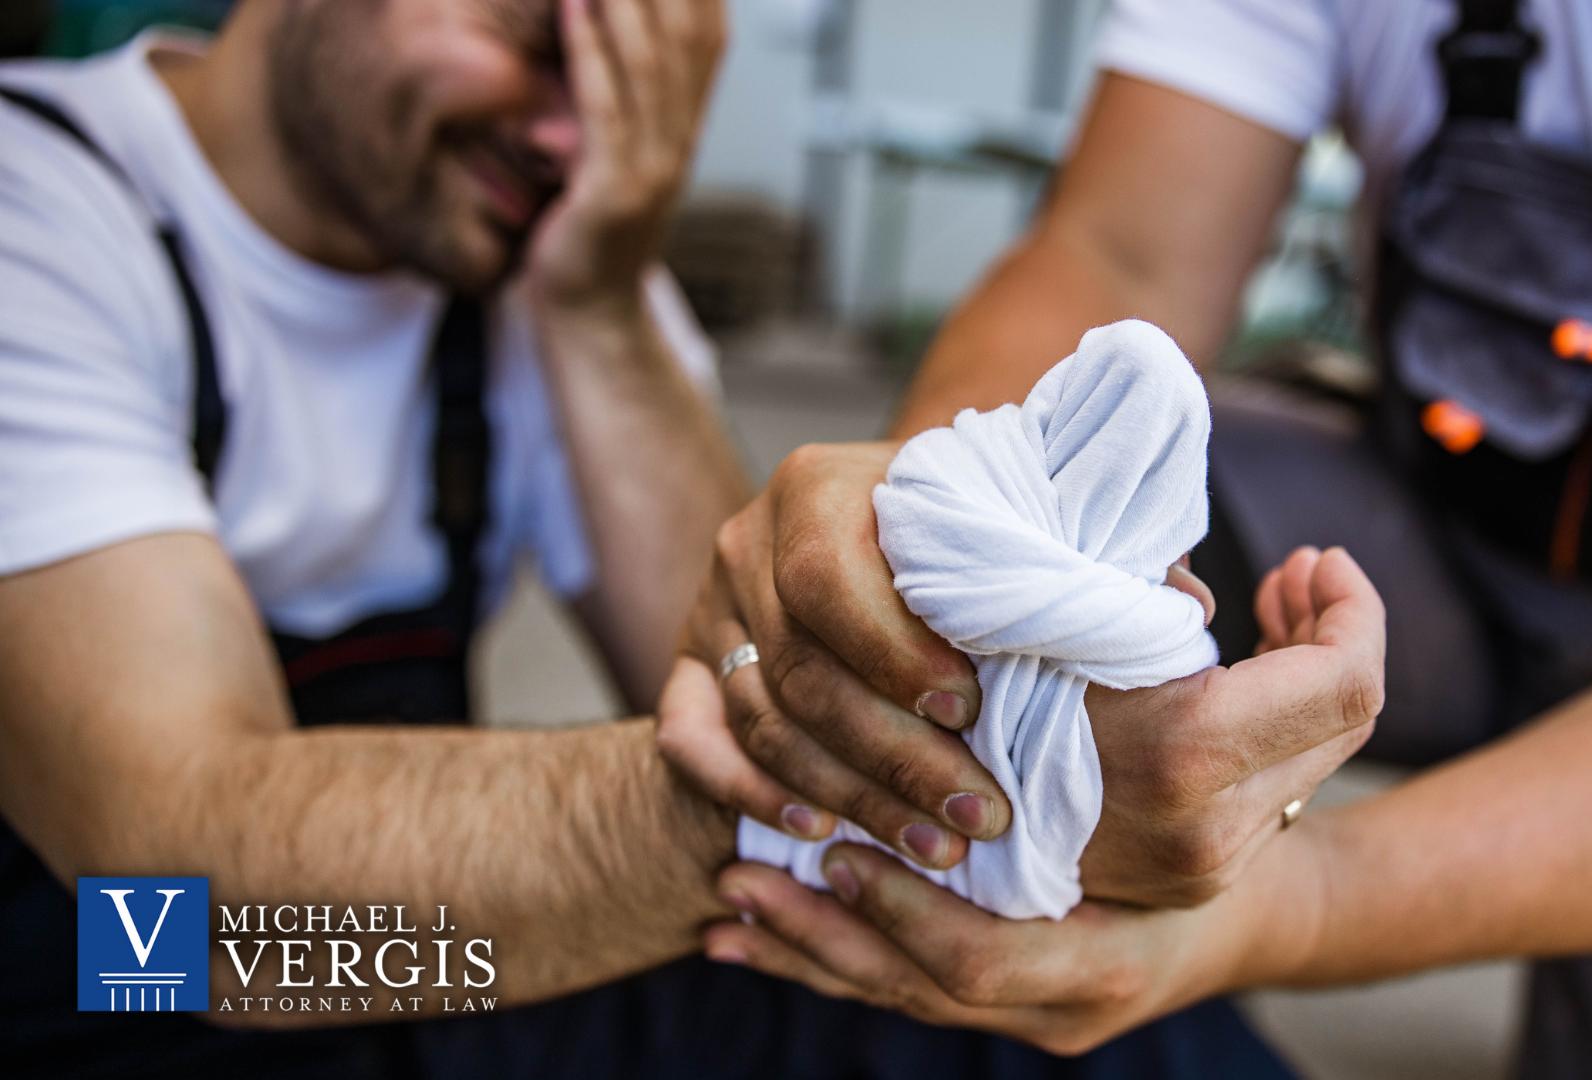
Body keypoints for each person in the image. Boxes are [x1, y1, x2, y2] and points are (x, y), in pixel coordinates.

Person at [0, 2, 1383, 1076]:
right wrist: (816, 802)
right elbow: (170, 908)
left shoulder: (540, 245)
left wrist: (598, 308)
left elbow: (748, 658)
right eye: (539, 41)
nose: (571, 137)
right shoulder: (41, 216)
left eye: (641, 79)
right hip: (111, 986)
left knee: (983, 1006)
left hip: (418, 975)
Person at [665, 0, 1592, 1076]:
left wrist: (1294, 901)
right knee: (1016, 750)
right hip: (1419, 549)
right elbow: (1119, 249)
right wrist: (933, 540)